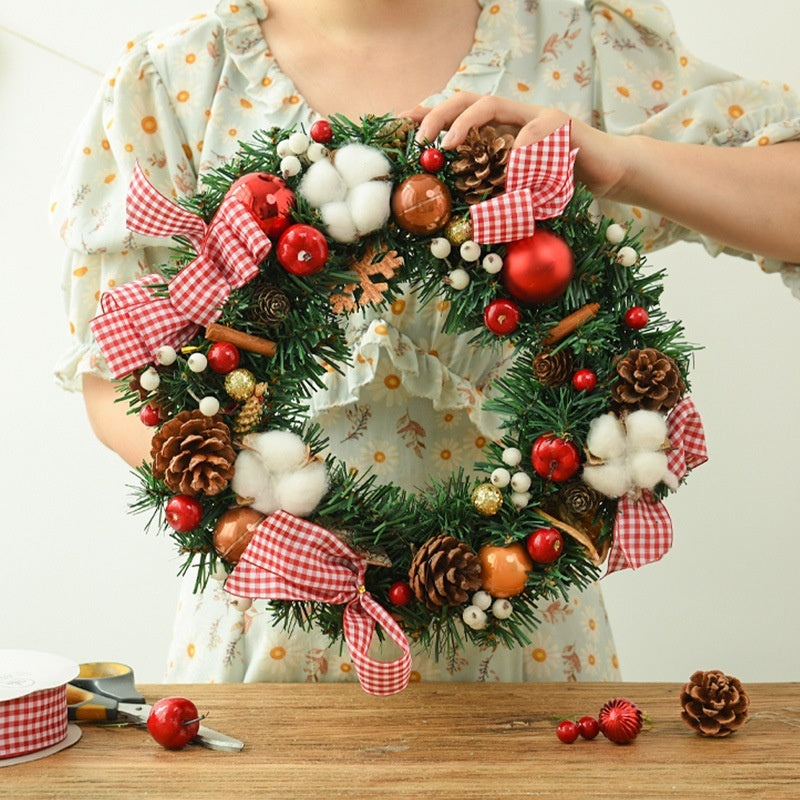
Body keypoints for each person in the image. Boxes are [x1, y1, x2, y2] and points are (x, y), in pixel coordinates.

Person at [51, 0, 800, 684]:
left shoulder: (582, 46)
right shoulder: (177, 77)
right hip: (269, 633)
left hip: (521, 625)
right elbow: (111, 371)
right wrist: (243, 506)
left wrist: (624, 161)